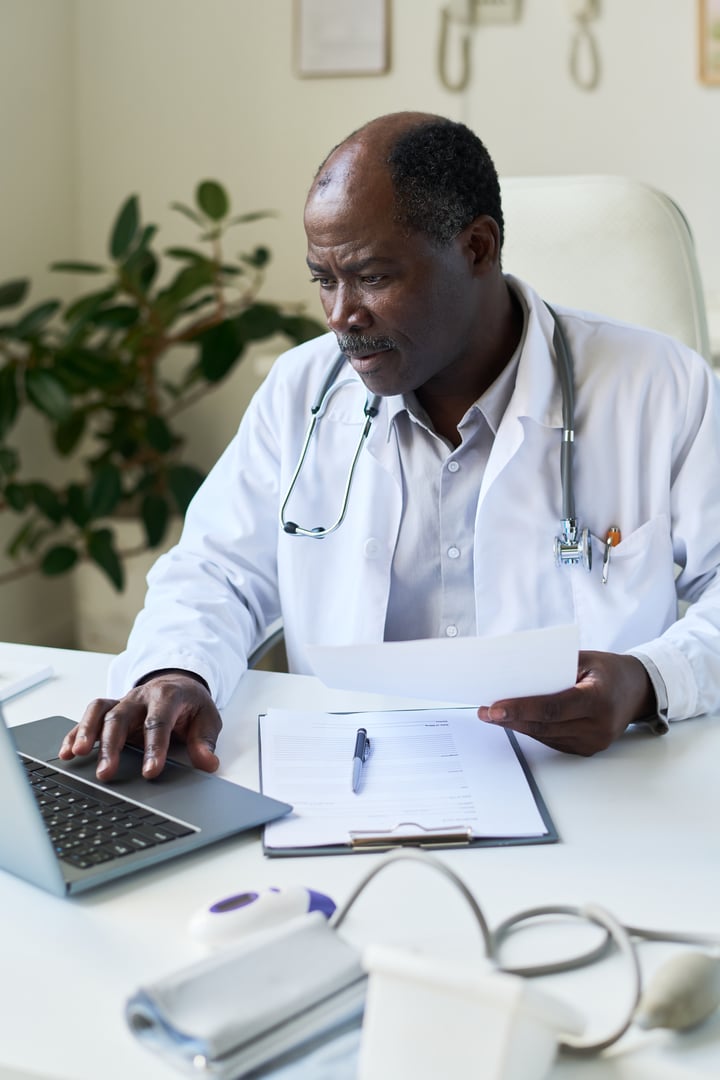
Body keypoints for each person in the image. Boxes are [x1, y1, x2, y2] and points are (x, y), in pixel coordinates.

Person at [59, 111, 720, 782]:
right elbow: (216, 571)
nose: (341, 314)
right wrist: (176, 668)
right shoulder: (303, 391)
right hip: (347, 780)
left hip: (593, 787)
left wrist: (647, 680)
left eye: (373, 277)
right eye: (324, 279)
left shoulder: (658, 387)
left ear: (478, 248)